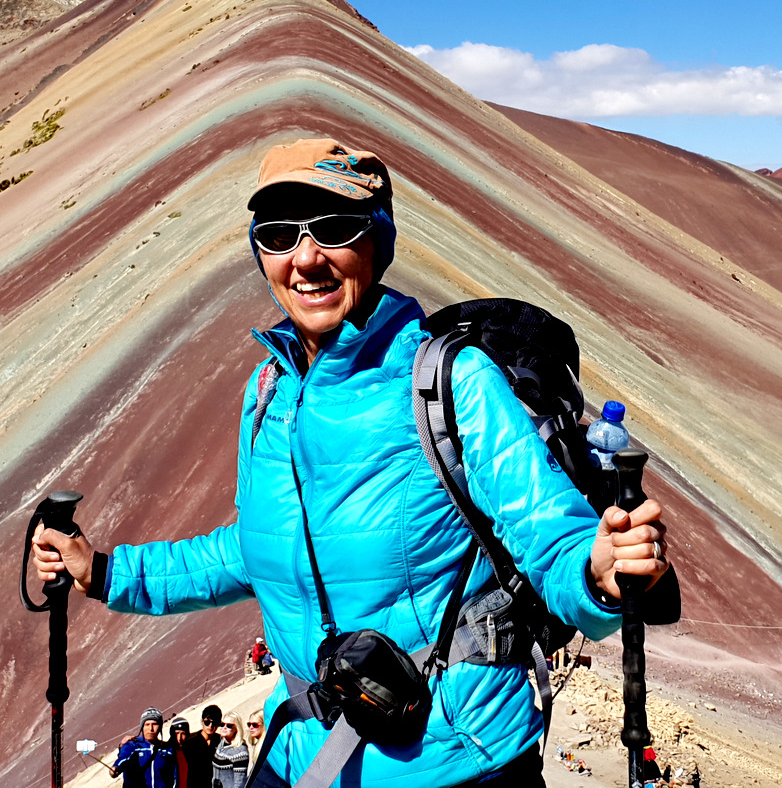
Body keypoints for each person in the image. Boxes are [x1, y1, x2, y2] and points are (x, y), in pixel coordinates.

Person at [33, 138, 673, 788]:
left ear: (378, 243)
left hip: (451, 759)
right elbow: (252, 553)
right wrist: (108, 573)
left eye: (334, 229)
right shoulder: (268, 395)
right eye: (279, 235)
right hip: (302, 750)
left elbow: (549, 538)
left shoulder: (452, 383)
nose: (305, 258)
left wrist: (598, 575)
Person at [112, 707, 176, 788]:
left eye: (154, 724)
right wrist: (116, 767)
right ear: (142, 727)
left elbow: (174, 777)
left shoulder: (167, 750)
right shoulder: (133, 746)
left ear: (160, 727)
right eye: (147, 725)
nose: (151, 729)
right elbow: (123, 758)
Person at [182, 706, 221, 788]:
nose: (210, 726)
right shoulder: (190, 742)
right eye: (207, 722)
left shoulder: (221, 741)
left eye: (214, 723)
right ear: (202, 722)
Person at [212, 713, 250, 788]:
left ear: (236, 728)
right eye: (222, 724)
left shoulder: (240, 752)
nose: (224, 727)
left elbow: (239, 783)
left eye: (229, 726)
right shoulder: (222, 742)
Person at [167, 718, 190, 788]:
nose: (179, 738)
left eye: (183, 734)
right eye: (176, 734)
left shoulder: (190, 752)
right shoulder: (165, 752)